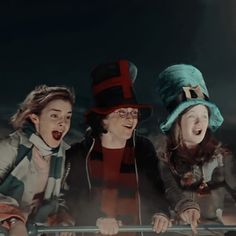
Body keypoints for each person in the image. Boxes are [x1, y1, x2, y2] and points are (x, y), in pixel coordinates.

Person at [64, 59, 171, 235]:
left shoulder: (143, 148)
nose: (131, 119)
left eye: (134, 113)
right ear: (103, 119)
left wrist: (160, 212)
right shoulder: (79, 153)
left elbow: (154, 188)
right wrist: (97, 218)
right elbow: (74, 196)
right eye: (122, 112)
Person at [154, 64, 236, 235]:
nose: (200, 123)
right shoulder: (161, 157)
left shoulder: (221, 158)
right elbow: (168, 188)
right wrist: (185, 206)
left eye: (204, 116)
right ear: (177, 122)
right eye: (192, 116)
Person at [0, 85, 75, 236]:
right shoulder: (10, 148)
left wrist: (61, 220)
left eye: (67, 116)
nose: (63, 123)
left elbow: (58, 199)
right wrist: (14, 220)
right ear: (35, 118)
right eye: (55, 116)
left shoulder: (61, 156)